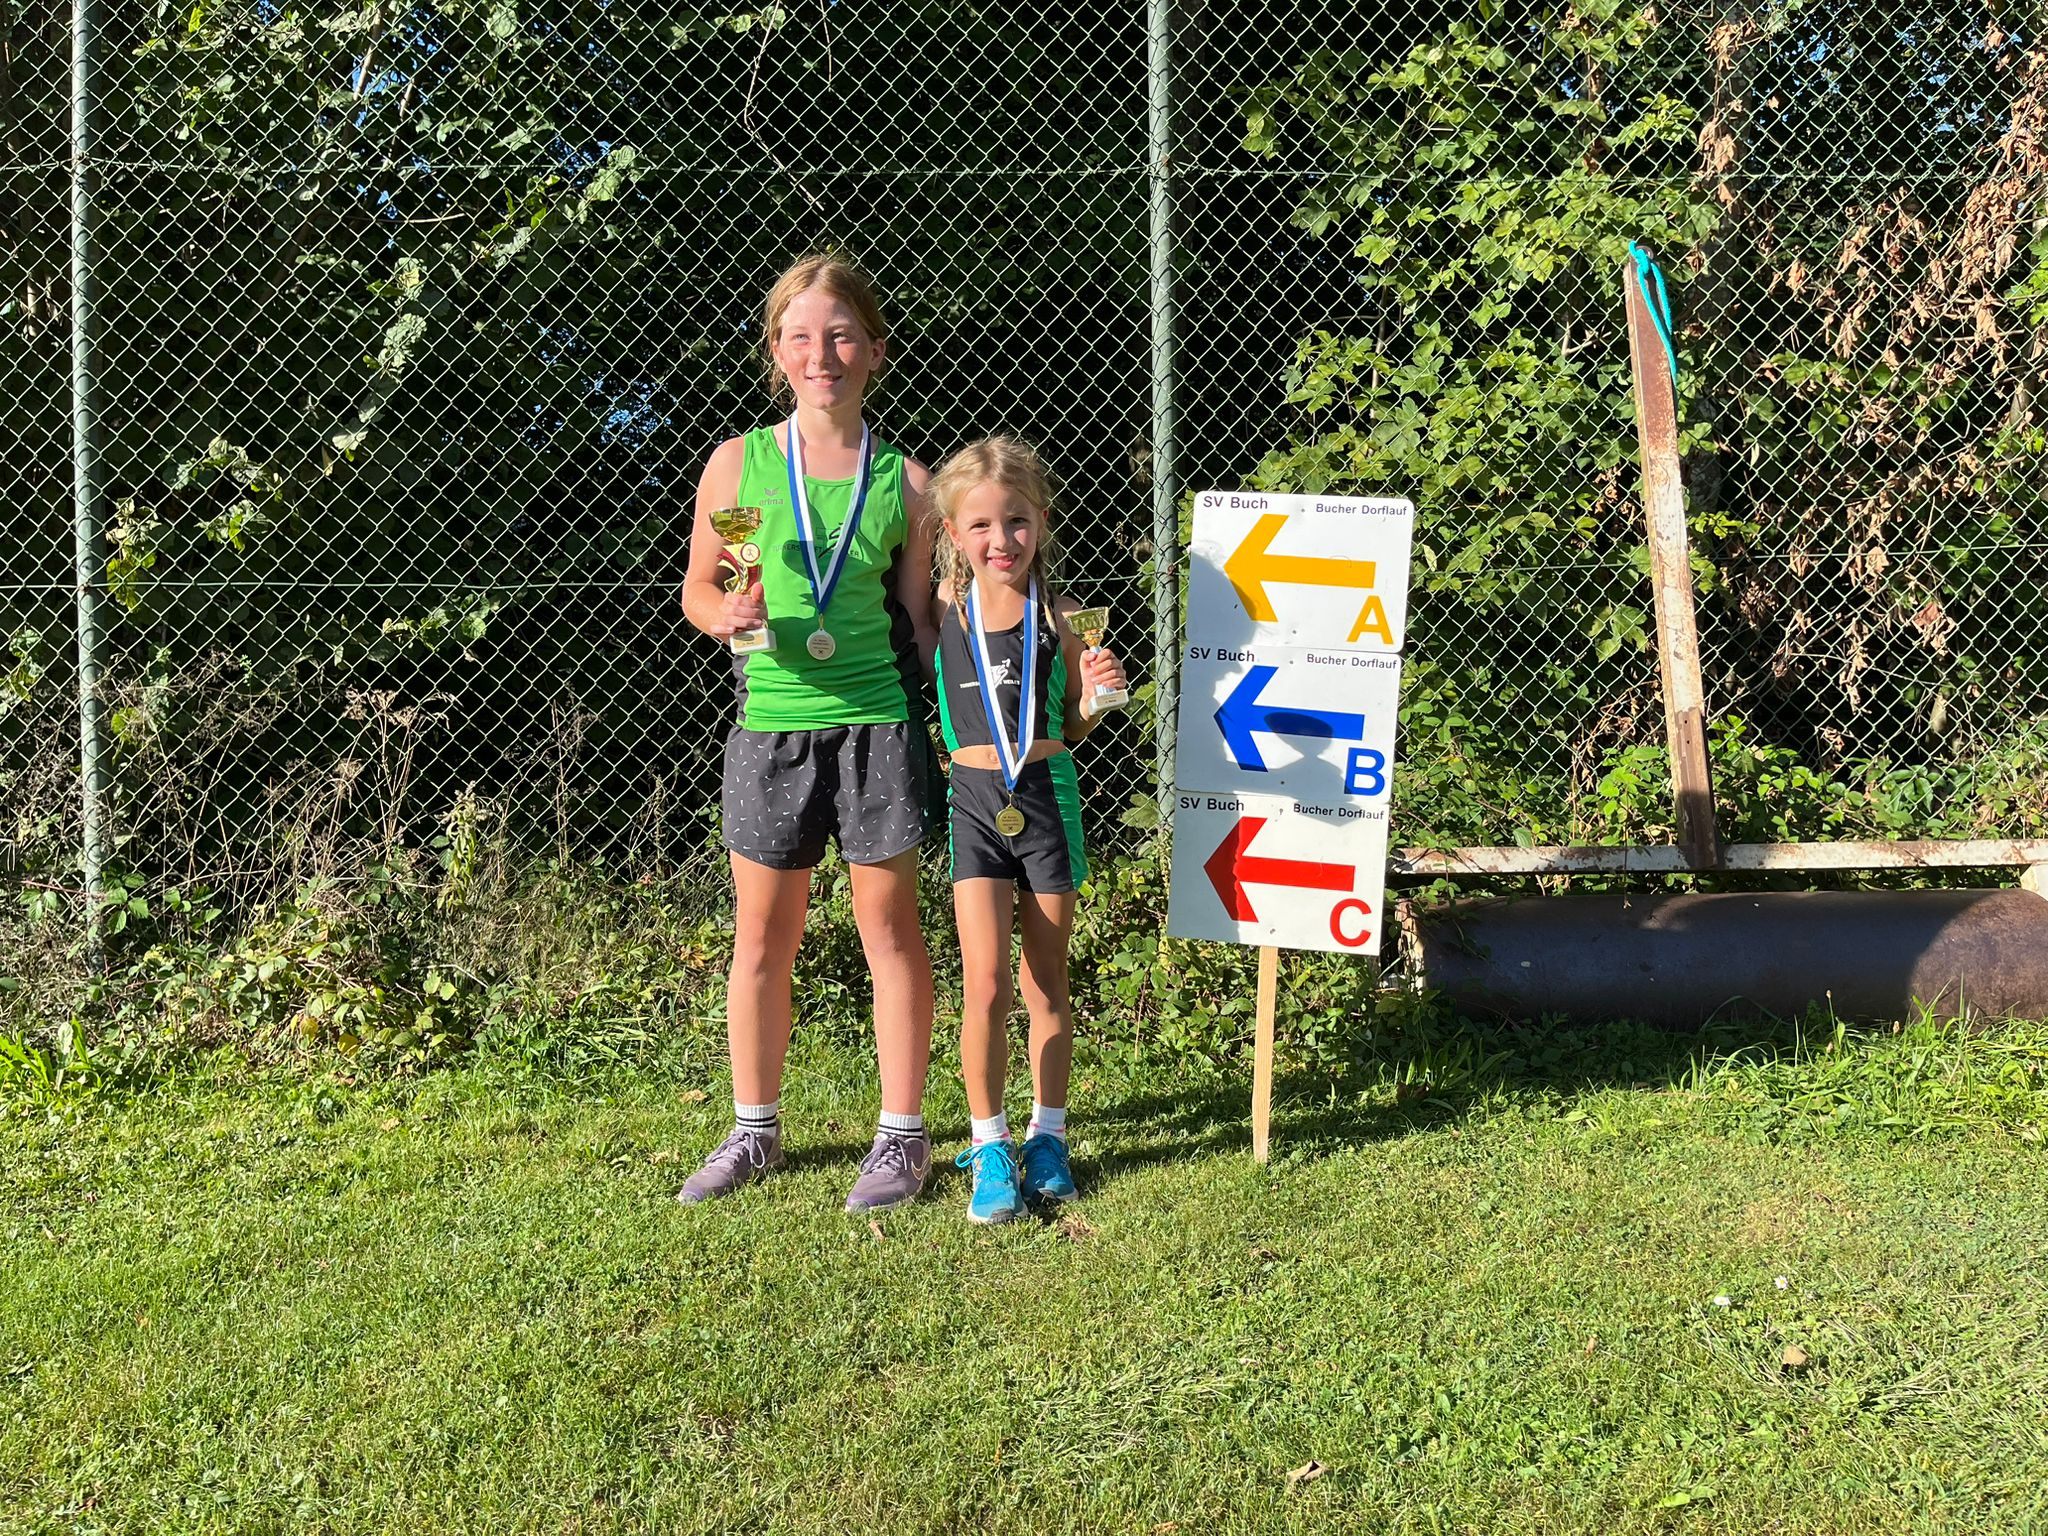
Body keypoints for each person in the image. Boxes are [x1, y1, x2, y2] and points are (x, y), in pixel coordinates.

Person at [677, 254, 939, 1212]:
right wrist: (724, 617)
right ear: (776, 353)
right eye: (799, 337)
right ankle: (754, 1130)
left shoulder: (903, 483)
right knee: (761, 940)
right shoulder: (742, 465)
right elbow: (704, 585)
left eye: (839, 336)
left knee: (891, 933)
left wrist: (1017, 661)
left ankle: (902, 1139)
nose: (820, 354)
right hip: (772, 728)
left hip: (874, 728)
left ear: (873, 348)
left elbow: (922, 623)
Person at [929, 437, 1128, 1223]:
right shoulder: (940, 608)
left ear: (1040, 522)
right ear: (952, 533)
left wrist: (1096, 692)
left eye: (1015, 522)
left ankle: (1048, 1136)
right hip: (973, 800)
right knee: (983, 984)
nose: (1000, 540)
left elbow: (1077, 726)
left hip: (1047, 796)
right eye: (979, 525)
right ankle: (988, 1144)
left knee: (1046, 981)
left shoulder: (1064, 617)